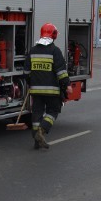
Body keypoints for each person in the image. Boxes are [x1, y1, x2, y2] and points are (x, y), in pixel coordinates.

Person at [24, 22, 71, 150]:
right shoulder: (55, 51)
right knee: (53, 111)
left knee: (36, 115)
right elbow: (61, 72)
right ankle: (42, 130)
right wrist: (67, 85)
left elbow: (26, 72)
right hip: (52, 91)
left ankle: (36, 141)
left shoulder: (32, 51)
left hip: (36, 91)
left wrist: (30, 83)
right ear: (53, 35)